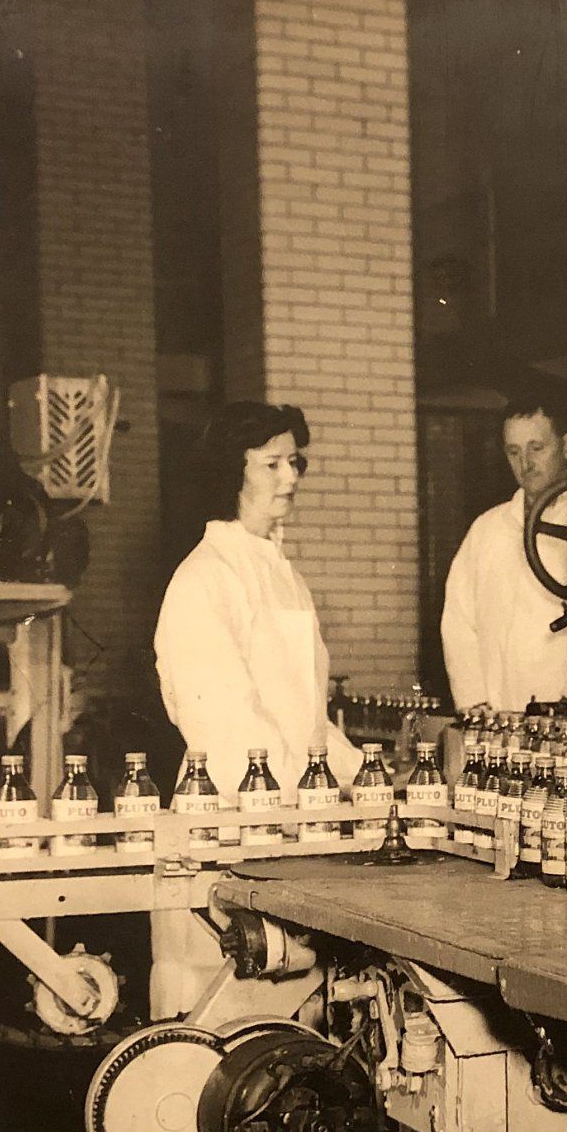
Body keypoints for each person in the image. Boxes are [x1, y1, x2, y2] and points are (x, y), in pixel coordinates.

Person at [150, 401, 364, 1016]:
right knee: (218, 1028)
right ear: (230, 471)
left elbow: (309, 716)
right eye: (272, 463)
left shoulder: (281, 574)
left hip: (290, 831)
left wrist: (365, 779)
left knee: (296, 1035)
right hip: (233, 830)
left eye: (294, 461)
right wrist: (312, 802)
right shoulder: (204, 578)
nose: (290, 476)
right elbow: (224, 724)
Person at [440, 395, 567, 715]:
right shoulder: (487, 529)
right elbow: (458, 622)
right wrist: (473, 700)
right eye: (514, 451)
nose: (526, 463)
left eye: (537, 448)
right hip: (499, 713)